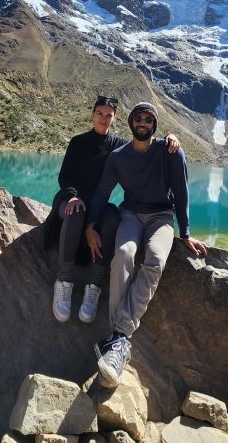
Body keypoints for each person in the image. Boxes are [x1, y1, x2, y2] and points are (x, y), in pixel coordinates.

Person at [85, 102, 208, 387]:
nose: (142, 123)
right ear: (131, 123)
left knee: (155, 259)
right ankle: (120, 341)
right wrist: (90, 225)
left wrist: (186, 232)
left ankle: (118, 336)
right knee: (125, 254)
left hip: (162, 218)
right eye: (138, 118)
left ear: (155, 124)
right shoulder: (118, 157)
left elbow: (181, 192)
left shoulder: (170, 151)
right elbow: (103, 193)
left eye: (148, 119)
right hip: (130, 214)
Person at [43, 96, 179, 324]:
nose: (104, 119)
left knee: (113, 219)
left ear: (115, 118)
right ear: (92, 114)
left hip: (96, 202)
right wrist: (73, 195)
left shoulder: (119, 146)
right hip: (71, 199)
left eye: (109, 115)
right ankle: (64, 282)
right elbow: (64, 175)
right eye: (100, 114)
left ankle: (94, 286)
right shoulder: (78, 141)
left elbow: (143, 143)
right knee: (75, 212)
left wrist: (170, 138)